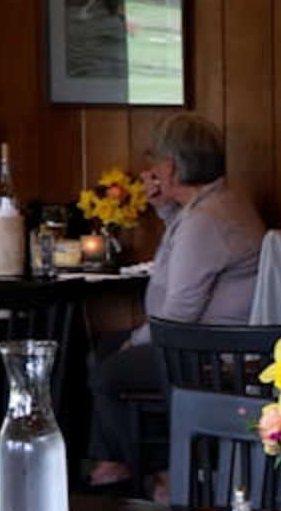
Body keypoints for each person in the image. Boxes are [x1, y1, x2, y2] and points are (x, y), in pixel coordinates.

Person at [85, 112, 268, 489]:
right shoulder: (222, 201)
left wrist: (136, 339)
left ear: (169, 168)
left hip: (209, 353)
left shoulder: (205, 219)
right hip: (219, 344)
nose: (150, 170)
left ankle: (156, 473)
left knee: (106, 373)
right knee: (104, 349)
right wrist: (165, 208)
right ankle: (114, 461)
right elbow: (186, 249)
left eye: (155, 162)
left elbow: (179, 314)